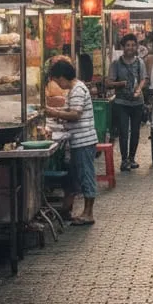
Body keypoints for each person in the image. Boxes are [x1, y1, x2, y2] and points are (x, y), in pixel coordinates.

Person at [48, 58, 99, 226]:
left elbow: (75, 114)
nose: (58, 85)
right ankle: (79, 211)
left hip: (83, 141)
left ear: (62, 77)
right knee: (78, 176)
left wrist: (55, 113)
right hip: (80, 140)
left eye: (57, 81)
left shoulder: (76, 90)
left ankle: (88, 214)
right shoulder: (75, 88)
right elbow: (71, 110)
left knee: (86, 175)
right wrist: (56, 111)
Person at [107, 33, 146, 172]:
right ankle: (124, 160)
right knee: (124, 131)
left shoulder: (140, 62)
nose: (130, 47)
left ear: (136, 47)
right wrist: (120, 83)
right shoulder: (116, 64)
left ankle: (132, 158)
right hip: (121, 102)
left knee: (135, 131)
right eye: (128, 45)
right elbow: (109, 83)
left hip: (137, 102)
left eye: (133, 45)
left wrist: (139, 90)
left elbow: (143, 79)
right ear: (123, 47)